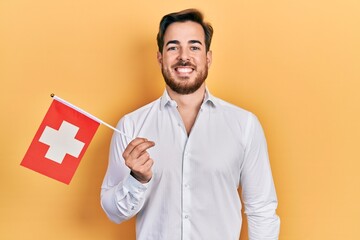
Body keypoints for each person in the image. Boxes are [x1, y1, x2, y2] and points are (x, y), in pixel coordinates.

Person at [100, 8, 280, 240]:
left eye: (194, 47)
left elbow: (261, 209)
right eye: (173, 47)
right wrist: (137, 179)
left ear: (208, 57)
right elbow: (114, 212)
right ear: (160, 57)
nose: (184, 57)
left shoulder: (244, 124)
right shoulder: (131, 126)